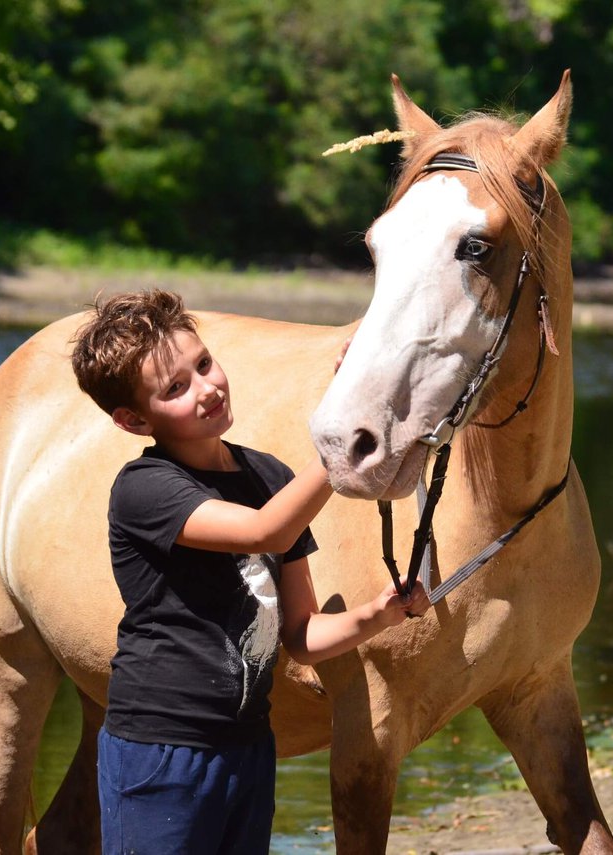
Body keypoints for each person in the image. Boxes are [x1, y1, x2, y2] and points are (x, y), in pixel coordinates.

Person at [70, 289, 428, 854]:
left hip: (248, 748)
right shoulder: (144, 490)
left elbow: (302, 637)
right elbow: (265, 532)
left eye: (204, 363)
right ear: (134, 420)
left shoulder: (268, 476)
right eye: (176, 388)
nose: (207, 388)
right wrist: (350, 429)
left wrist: (379, 614)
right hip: (161, 752)